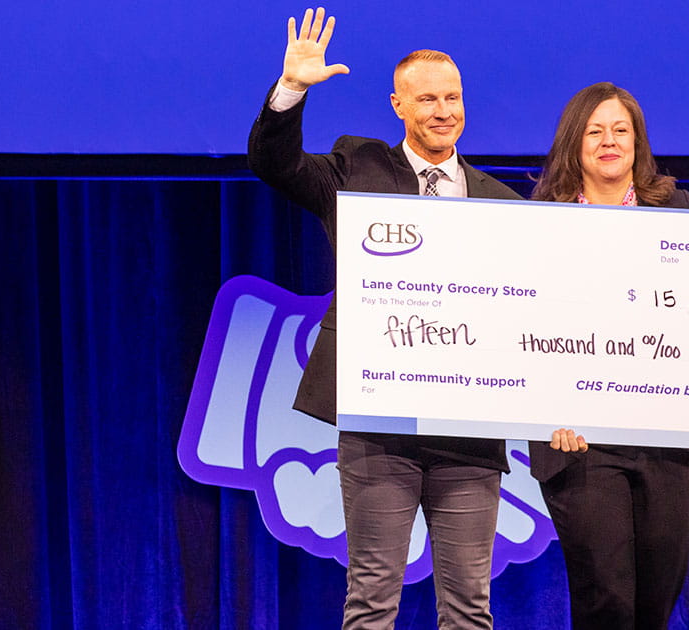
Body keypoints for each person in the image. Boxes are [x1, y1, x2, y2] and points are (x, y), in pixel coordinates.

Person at [247, 8, 522, 629]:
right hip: (379, 423)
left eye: (453, 97)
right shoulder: (357, 170)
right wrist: (290, 91)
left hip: (469, 432)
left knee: (469, 609)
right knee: (372, 600)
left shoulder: (504, 203)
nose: (443, 110)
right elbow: (274, 164)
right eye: (427, 98)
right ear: (398, 104)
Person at [529, 83, 689, 630]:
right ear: (574, 143)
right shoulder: (541, 223)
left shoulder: (678, 211)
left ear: (638, 141)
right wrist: (547, 411)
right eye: (595, 131)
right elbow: (522, 329)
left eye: (620, 130)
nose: (609, 142)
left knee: (654, 607)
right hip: (580, 444)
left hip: (670, 442)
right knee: (605, 601)